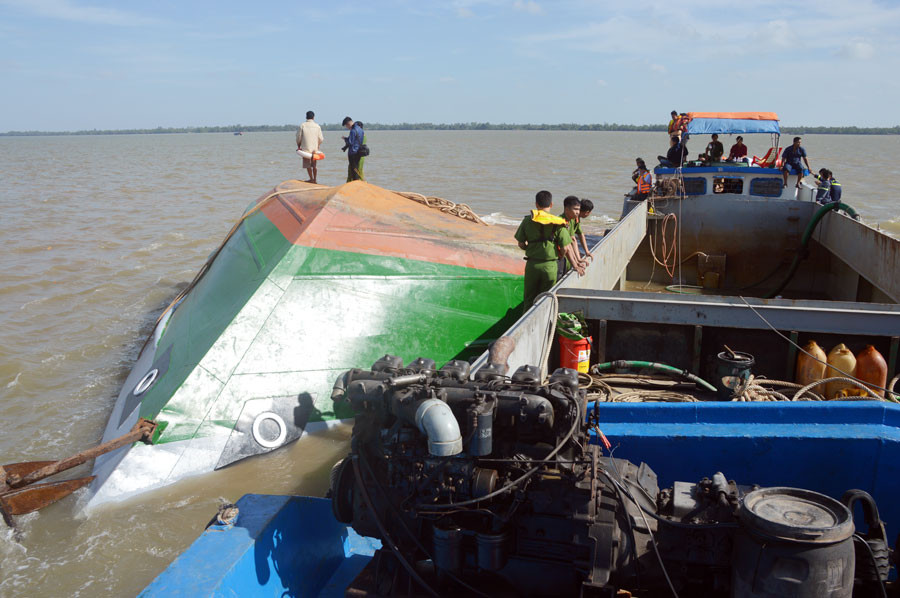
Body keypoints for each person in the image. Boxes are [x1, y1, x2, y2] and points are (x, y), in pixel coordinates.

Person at [514, 191, 585, 309]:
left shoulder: (527, 220)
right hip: (550, 267)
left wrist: (530, 247)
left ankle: (526, 319)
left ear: (536, 204)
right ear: (551, 205)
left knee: (529, 299)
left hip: (532, 265)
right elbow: (565, 248)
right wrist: (574, 264)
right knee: (545, 300)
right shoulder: (557, 222)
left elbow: (521, 243)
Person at [558, 196, 583, 278]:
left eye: (579, 209)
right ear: (566, 209)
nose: (577, 212)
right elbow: (566, 246)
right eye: (575, 209)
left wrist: (578, 260)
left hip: (568, 258)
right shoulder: (560, 221)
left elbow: (572, 240)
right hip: (559, 257)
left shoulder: (571, 220)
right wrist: (575, 264)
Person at [296, 110, 324, 184]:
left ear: (306, 117)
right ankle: (315, 179)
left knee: (308, 165)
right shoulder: (317, 126)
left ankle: (311, 179)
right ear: (313, 117)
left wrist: (298, 145)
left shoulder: (302, 125)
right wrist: (318, 145)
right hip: (315, 149)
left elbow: (298, 137)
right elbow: (321, 139)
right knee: (314, 165)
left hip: (305, 148)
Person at [341, 116, 365, 182]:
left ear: (348, 124)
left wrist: (345, 139)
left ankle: (355, 183)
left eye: (346, 126)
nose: (347, 127)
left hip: (353, 153)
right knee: (356, 169)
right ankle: (357, 182)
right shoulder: (360, 129)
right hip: (359, 152)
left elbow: (350, 142)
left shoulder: (353, 130)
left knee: (354, 170)